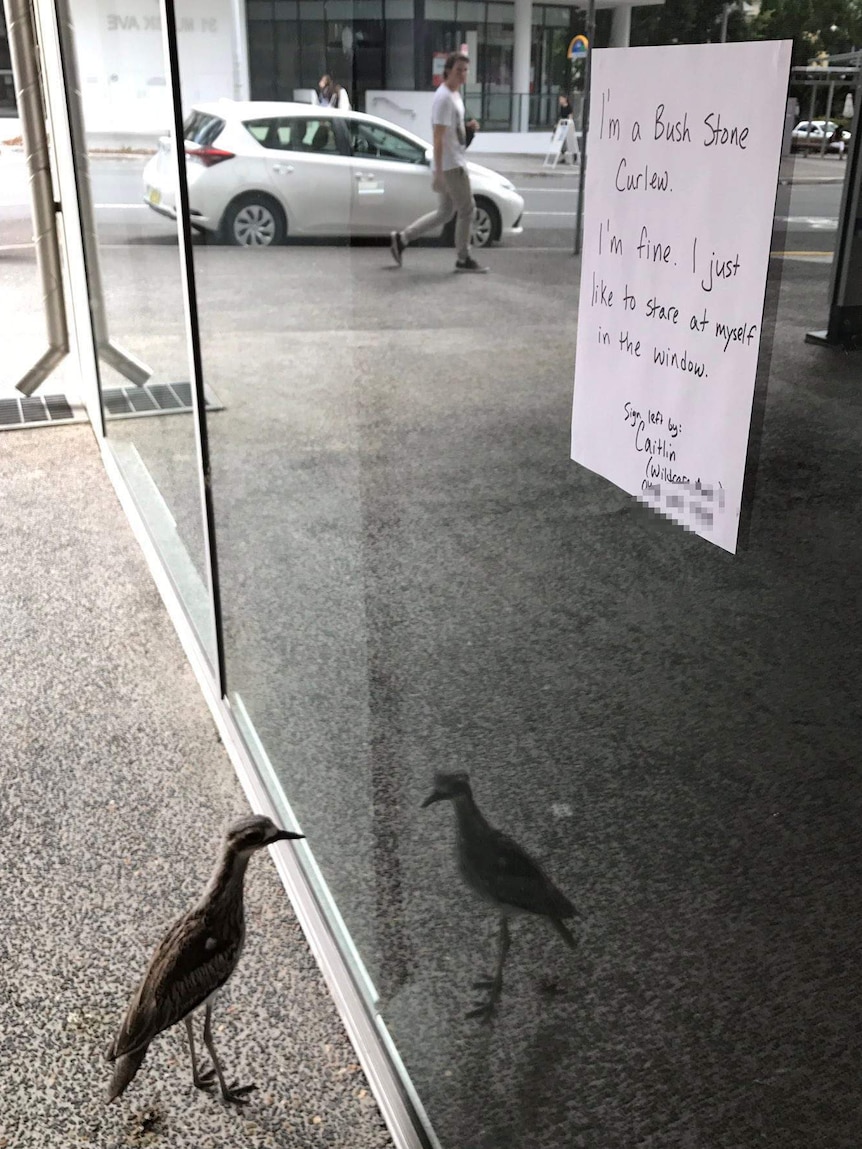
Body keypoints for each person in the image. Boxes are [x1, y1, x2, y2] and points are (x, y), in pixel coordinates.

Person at [390, 52, 487, 273]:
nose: (463, 74)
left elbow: (452, 131)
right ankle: (463, 258)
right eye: (458, 70)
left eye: (465, 70)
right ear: (448, 71)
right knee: (467, 210)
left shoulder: (454, 95)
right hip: (452, 165)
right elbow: (438, 136)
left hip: (452, 160)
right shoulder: (443, 97)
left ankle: (402, 239)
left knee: (445, 213)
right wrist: (439, 173)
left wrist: (467, 128)